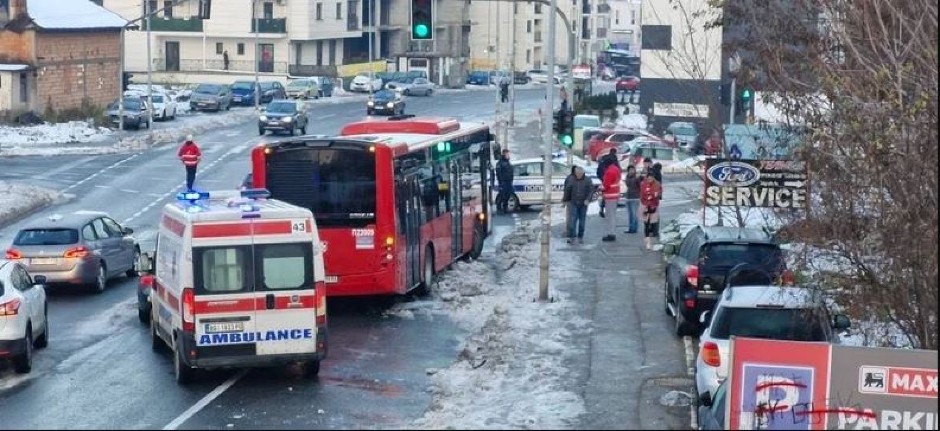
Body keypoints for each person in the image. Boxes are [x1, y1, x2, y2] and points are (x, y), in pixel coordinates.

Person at [562, 166, 593, 244]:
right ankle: (572, 237)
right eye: (577, 173)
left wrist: (588, 199)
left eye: (580, 174)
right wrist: (565, 200)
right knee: (573, 220)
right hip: (573, 202)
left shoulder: (587, 180)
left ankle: (580, 237)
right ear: (575, 173)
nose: (579, 175)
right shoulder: (571, 179)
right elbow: (567, 190)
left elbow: (591, 191)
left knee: (582, 221)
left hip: (583, 203)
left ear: (583, 173)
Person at [639, 171, 663, 250]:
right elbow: (642, 194)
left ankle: (653, 242)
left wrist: (652, 195)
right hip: (645, 205)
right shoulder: (643, 184)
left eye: (651, 178)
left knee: (654, 224)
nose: (649, 180)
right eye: (648, 178)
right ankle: (647, 243)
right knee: (646, 224)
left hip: (654, 205)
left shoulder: (657, 184)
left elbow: (658, 194)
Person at [600, 160, 622, 242]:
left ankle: (611, 234)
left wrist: (600, 188)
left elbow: (606, 185)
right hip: (615, 195)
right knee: (612, 215)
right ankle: (612, 233)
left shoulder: (609, 171)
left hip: (610, 195)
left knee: (609, 216)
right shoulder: (616, 169)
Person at [595, 147, 619, 218]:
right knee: (611, 195)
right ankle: (610, 210)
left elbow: (599, 168)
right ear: (614, 152)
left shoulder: (604, 157)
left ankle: (602, 209)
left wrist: (602, 178)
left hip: (603, 177)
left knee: (604, 194)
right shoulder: (614, 159)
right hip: (611, 179)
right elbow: (617, 169)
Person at [622, 165, 642, 234]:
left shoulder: (637, 177)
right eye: (630, 170)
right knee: (631, 214)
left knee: (634, 214)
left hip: (635, 197)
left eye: (633, 169)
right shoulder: (628, 177)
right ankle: (632, 228)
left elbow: (640, 186)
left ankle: (633, 228)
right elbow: (628, 184)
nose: (631, 171)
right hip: (629, 197)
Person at [495, 148, 514, 213]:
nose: (508, 155)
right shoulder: (500, 163)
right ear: (503, 154)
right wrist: (501, 182)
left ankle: (505, 208)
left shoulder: (508, 162)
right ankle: (499, 208)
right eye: (507, 154)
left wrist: (511, 180)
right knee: (502, 195)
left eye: (508, 154)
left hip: (509, 182)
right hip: (503, 182)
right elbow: (498, 173)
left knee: (508, 195)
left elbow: (510, 172)